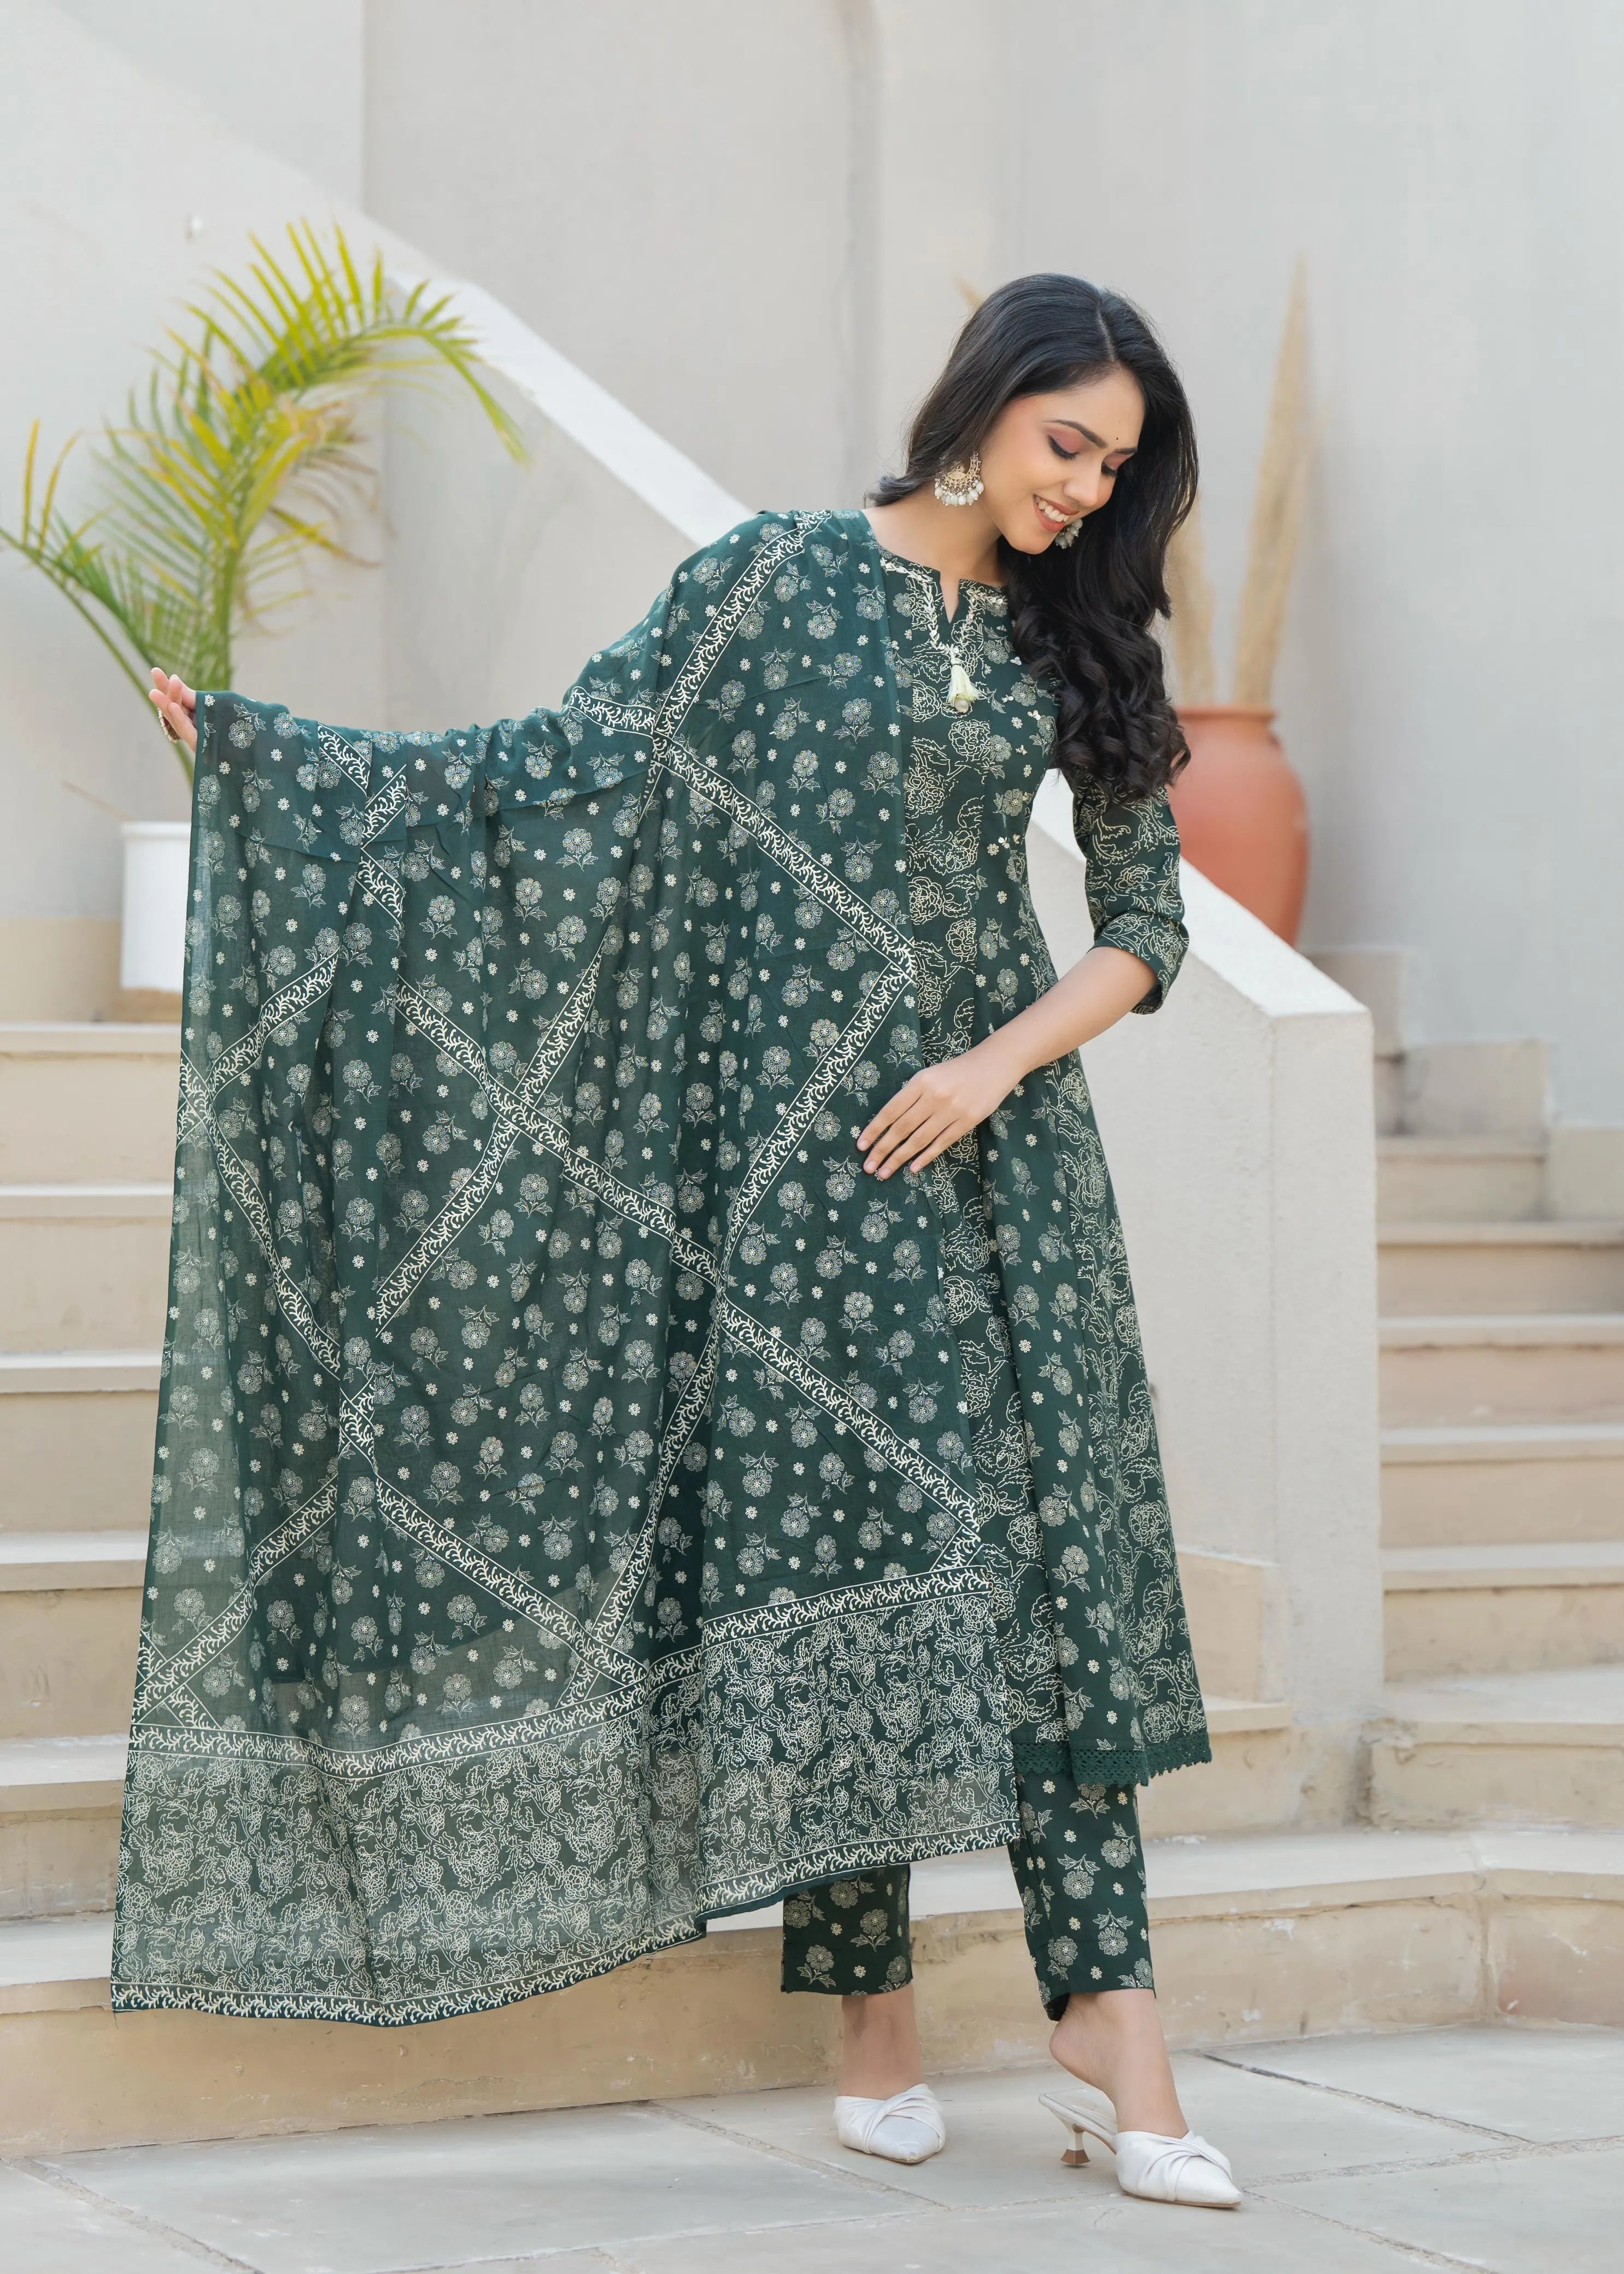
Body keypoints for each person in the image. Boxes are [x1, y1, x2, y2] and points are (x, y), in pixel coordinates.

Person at [133, 272, 1237, 2211]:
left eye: (1118, 467)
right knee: (828, 1566)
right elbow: (548, 778)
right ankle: (870, 2022)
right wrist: (277, 765)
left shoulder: (1080, 634)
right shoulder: (765, 584)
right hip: (800, 1188)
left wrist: (989, 1066)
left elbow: (1150, 926)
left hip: (994, 1172)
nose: (1087, 491)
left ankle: (1114, 2023)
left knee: (1045, 1578)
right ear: (981, 406)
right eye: (1071, 445)